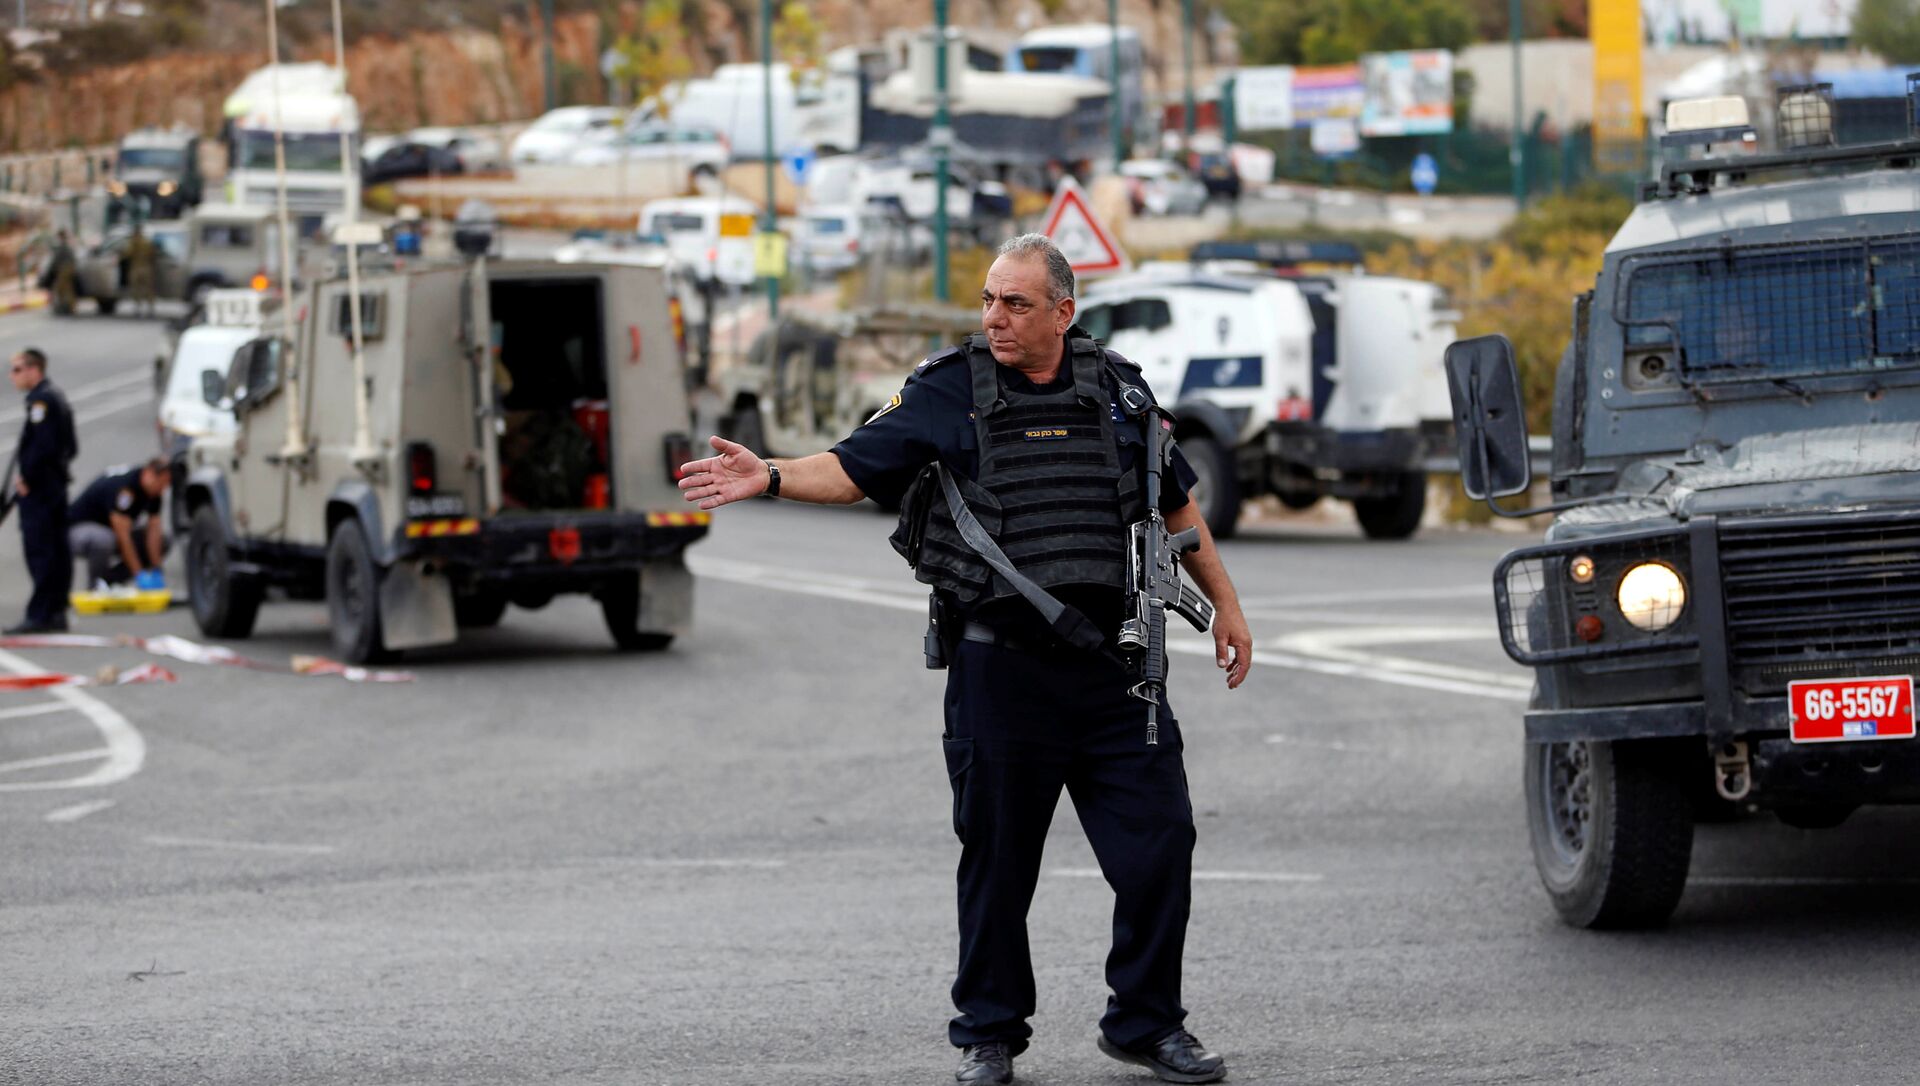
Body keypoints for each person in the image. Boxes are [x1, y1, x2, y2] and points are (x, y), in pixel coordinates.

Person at [678, 235, 1253, 1086]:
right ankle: (988, 1034)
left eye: (1015, 304)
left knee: (1161, 847)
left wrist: (1227, 608)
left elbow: (1177, 507)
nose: (995, 318)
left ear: (1063, 312)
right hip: (1002, 674)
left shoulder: (1119, 390)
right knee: (997, 867)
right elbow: (849, 469)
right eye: (988, 300)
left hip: (1117, 671)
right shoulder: (950, 388)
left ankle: (1146, 1023)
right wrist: (766, 474)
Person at [7, 348, 78, 634]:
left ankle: (41, 615)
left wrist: (28, 477)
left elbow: (43, 447)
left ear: (34, 369)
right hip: (54, 486)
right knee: (57, 550)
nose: (12, 376)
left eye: (17, 369)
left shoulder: (41, 402)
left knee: (41, 551)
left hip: (41, 491)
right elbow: (70, 447)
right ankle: (56, 610)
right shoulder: (55, 396)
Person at [68, 458, 170, 590]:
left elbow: (154, 532)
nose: (162, 489)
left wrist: (157, 569)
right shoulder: (126, 489)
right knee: (104, 539)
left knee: (163, 541)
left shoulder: (154, 492)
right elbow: (123, 537)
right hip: (76, 530)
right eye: (161, 483)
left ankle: (108, 581)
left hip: (109, 530)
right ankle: (95, 586)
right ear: (149, 474)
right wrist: (139, 574)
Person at [125, 223, 159, 318]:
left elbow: (127, 253)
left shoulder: (133, 242)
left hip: (136, 268)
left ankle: (138, 309)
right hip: (147, 268)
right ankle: (150, 309)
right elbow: (153, 254)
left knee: (136, 289)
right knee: (149, 289)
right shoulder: (147, 242)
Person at [45, 231, 79, 317]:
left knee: (61, 288)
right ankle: (69, 307)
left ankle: (66, 306)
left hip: (65, 269)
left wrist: (51, 270)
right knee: (68, 288)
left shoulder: (62, 246)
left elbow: (56, 260)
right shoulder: (66, 244)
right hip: (68, 268)